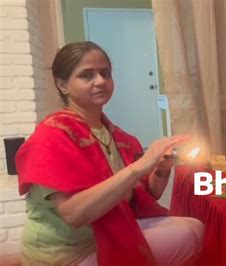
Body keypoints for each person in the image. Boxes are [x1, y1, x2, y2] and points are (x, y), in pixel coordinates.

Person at [15, 41, 204, 266]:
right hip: (67, 252)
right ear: (62, 84)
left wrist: (161, 169)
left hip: (107, 231)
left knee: (194, 227)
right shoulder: (50, 139)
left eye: (105, 73)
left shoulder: (114, 135)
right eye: (87, 75)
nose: (101, 81)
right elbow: (74, 215)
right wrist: (139, 166)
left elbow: (145, 195)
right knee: (188, 236)